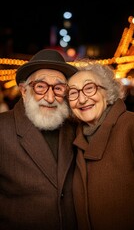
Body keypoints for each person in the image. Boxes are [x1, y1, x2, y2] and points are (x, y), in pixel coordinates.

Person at [0, 49, 78, 230]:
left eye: (58, 88)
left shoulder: (74, 128)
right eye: (40, 87)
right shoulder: (2, 128)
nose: (50, 98)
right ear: (24, 91)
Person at [67, 59, 134, 230]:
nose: (82, 99)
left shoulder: (130, 126)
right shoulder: (75, 137)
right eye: (73, 93)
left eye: (90, 88)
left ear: (107, 92)